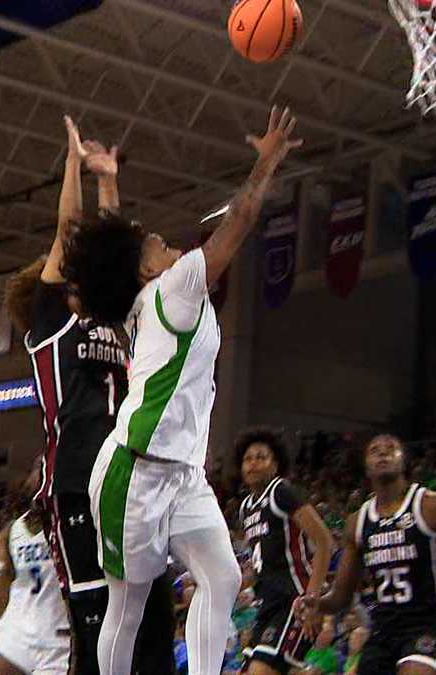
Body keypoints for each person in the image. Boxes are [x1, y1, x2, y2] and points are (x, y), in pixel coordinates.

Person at [65, 106, 302, 675]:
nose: (160, 239)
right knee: (126, 606)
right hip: (133, 474)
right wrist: (265, 164)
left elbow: (115, 249)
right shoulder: (175, 287)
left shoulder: (143, 297)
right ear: (146, 271)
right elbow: (240, 219)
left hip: (183, 474)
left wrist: (108, 180)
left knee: (222, 577)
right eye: (150, 245)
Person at [6, 116, 174, 675]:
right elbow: (70, 233)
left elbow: (112, 251)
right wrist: (74, 167)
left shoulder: (113, 316)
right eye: (67, 274)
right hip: (77, 481)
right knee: (96, 624)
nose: (76, 275)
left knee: (147, 620)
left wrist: (110, 179)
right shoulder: (49, 325)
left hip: (129, 477)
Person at [297, 434, 436, 675]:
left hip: (431, 622)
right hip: (384, 627)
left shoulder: (432, 506)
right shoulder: (357, 522)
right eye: (375, 450)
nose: (383, 452)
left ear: (403, 461)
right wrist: (315, 604)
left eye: (391, 448)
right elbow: (342, 597)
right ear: (366, 465)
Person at [234, 427, 333, 674]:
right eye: (248, 459)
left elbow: (324, 541)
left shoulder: (280, 492)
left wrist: (311, 600)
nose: (253, 463)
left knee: (261, 670)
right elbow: (262, 563)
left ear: (275, 465)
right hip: (268, 602)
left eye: (261, 457)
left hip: (295, 600)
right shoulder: (245, 508)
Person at [0, 509, 70, 675]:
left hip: (59, 638)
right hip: (19, 634)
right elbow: (3, 585)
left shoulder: (70, 523)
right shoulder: (13, 530)